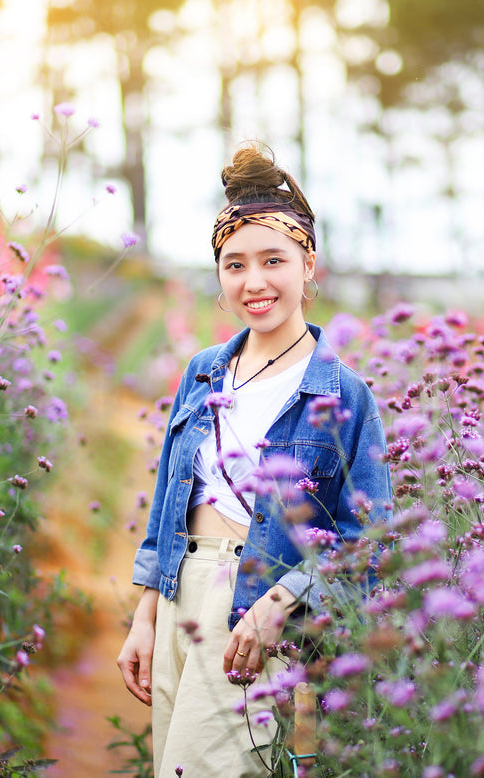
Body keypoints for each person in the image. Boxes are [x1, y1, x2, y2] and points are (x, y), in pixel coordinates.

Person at [116, 144, 392, 778]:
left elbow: (368, 541)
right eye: (234, 264)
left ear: (307, 264)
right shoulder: (202, 372)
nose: (254, 282)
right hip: (179, 595)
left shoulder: (343, 393)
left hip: (251, 604)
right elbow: (170, 502)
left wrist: (282, 601)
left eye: (274, 260)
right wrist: (145, 616)